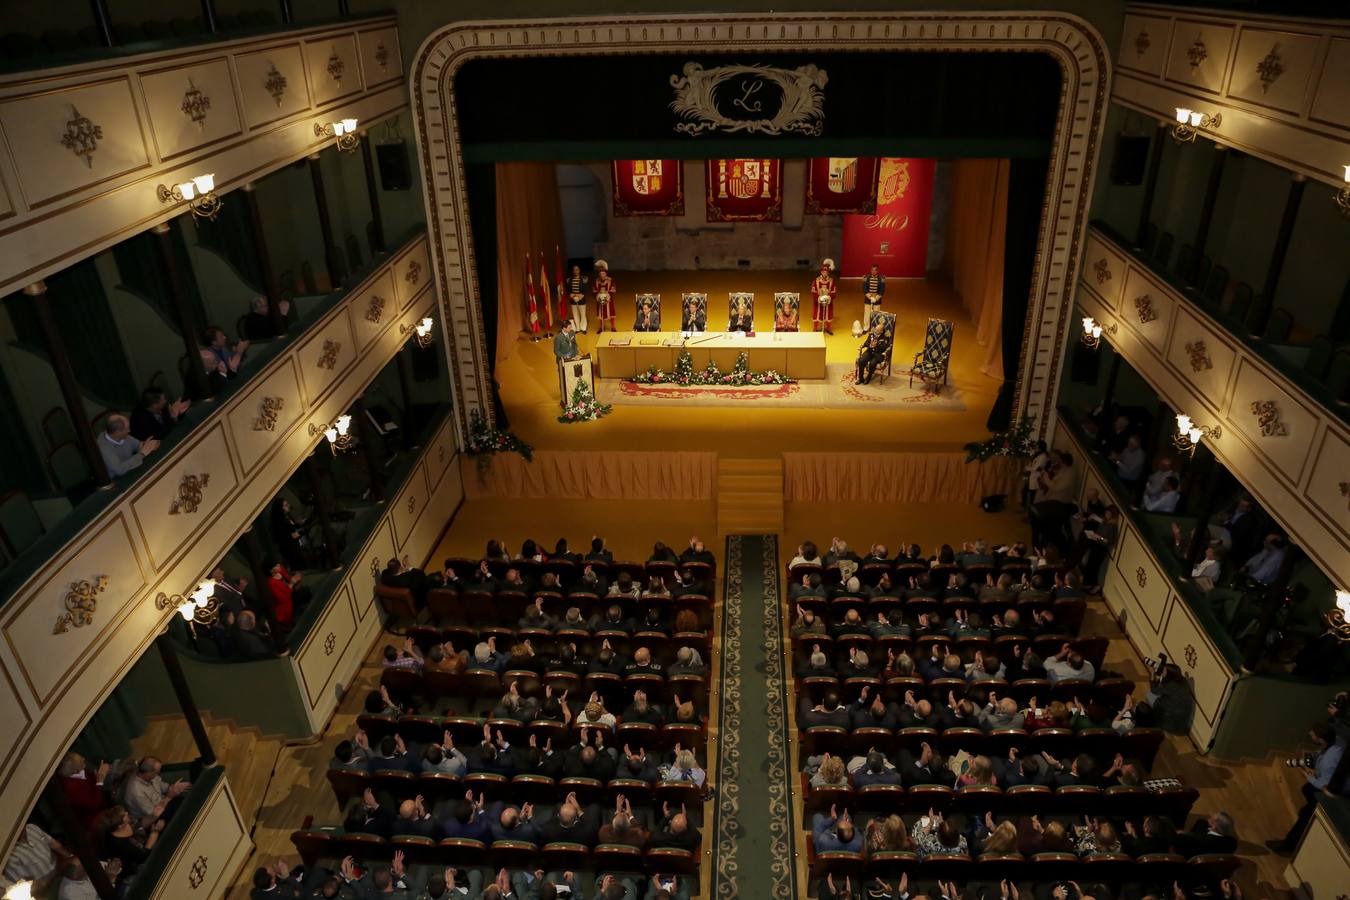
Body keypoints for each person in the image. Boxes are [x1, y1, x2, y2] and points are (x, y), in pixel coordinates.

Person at [123, 756, 188, 826]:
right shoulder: (136, 792)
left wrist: (174, 788)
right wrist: (169, 797)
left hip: (163, 802)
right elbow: (154, 813)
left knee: (186, 802)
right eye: (157, 772)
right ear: (148, 773)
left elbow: (164, 787)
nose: (158, 774)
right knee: (182, 816)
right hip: (153, 818)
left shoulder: (152, 776)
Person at [855, 321, 890, 385]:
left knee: (872, 363)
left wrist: (876, 345)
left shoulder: (885, 338)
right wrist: (870, 345)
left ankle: (868, 377)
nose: (875, 330)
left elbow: (884, 348)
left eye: (877, 330)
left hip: (878, 354)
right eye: (875, 329)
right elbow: (866, 343)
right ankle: (861, 378)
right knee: (861, 361)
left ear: (881, 331)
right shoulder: (871, 335)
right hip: (869, 352)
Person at [811, 259, 836, 334]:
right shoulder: (816, 281)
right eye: (823, 272)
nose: (825, 273)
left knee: (828, 315)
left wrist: (829, 297)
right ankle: (815, 328)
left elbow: (834, 292)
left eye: (826, 272)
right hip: (818, 302)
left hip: (828, 302)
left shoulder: (832, 281)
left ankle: (828, 328)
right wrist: (819, 298)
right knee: (817, 314)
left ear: (828, 272)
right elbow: (813, 291)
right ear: (821, 272)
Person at [594, 260, 617, 333]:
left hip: (609, 300)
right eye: (600, 274)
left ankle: (613, 327)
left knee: (611, 313)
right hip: (600, 301)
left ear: (605, 274)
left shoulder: (611, 280)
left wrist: (607, 295)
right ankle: (601, 327)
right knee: (601, 314)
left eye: (603, 274)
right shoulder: (596, 281)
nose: (602, 275)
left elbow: (613, 289)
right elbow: (594, 290)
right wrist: (599, 296)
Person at [565, 264, 588, 332]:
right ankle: (577, 328)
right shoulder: (569, 280)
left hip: (581, 299)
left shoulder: (583, 279)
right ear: (573, 271)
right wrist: (572, 296)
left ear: (579, 270)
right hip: (573, 300)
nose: (575, 271)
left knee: (583, 314)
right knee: (575, 314)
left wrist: (579, 296)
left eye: (577, 269)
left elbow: (585, 290)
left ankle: (583, 328)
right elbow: (568, 290)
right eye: (574, 270)